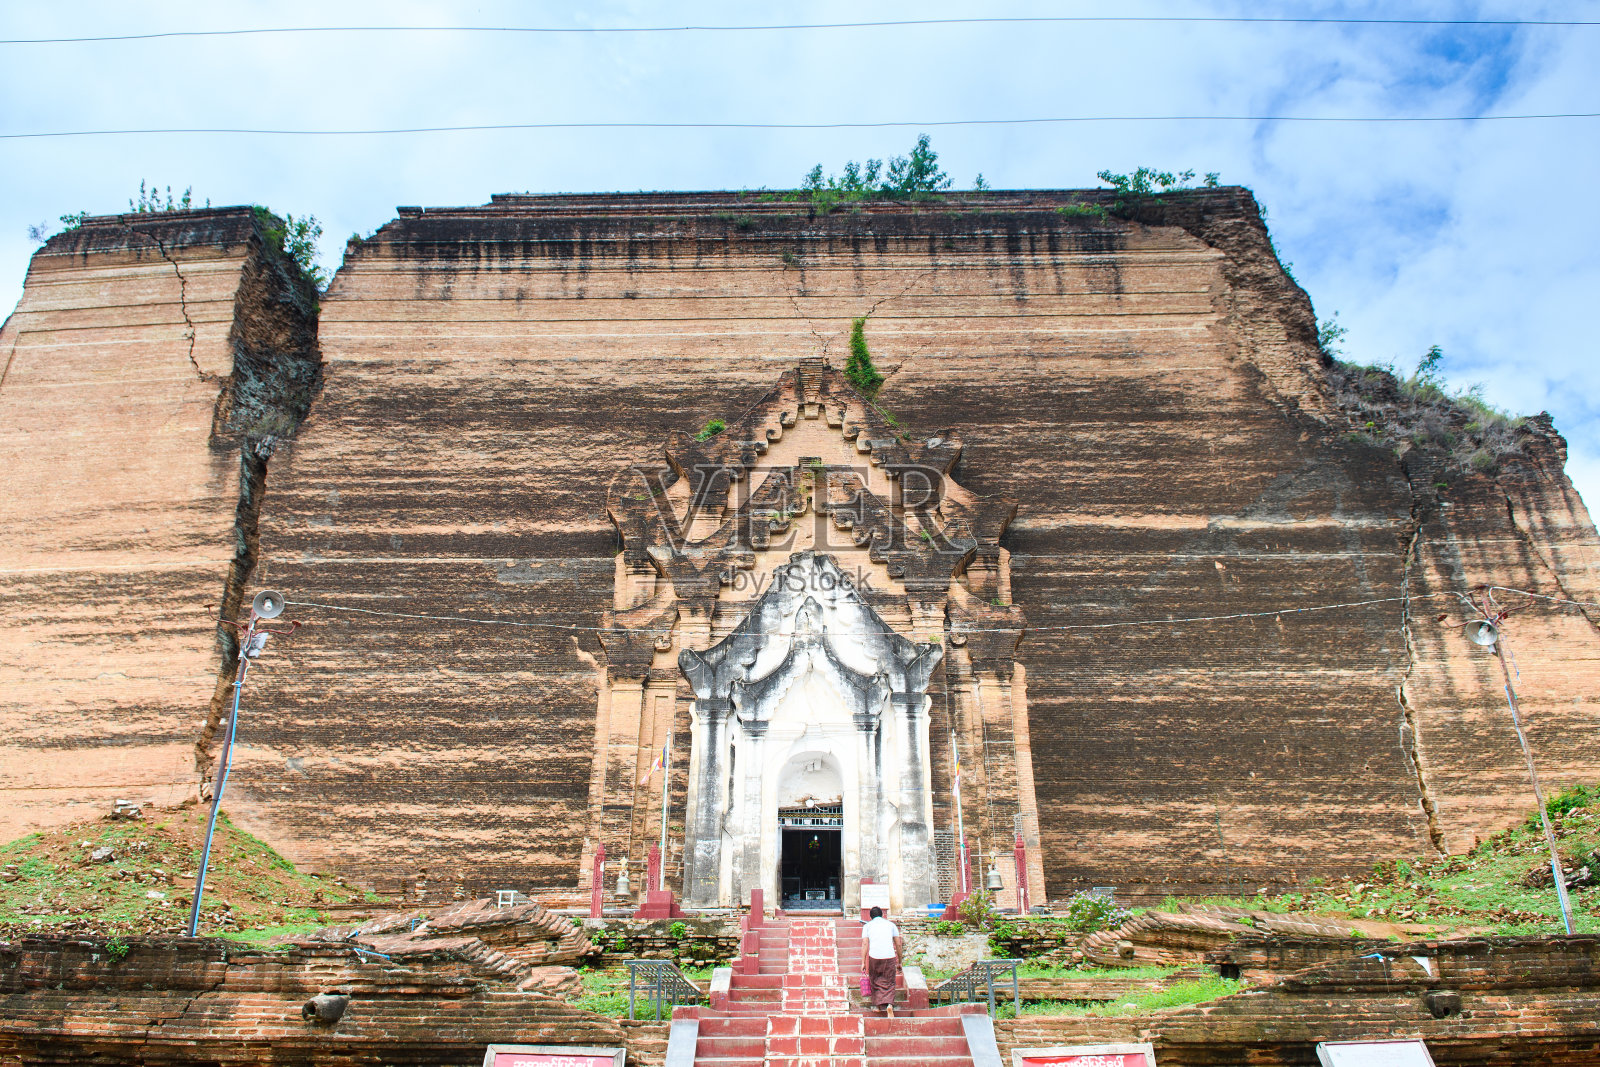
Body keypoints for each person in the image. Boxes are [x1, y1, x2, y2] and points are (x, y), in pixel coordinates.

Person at [859, 905, 903, 1016]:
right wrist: (899, 961)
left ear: (870, 917)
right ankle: (889, 1005)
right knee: (890, 981)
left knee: (875, 979)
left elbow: (865, 944)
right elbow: (898, 944)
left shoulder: (867, 926)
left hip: (874, 956)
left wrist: (863, 962)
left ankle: (878, 1006)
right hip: (889, 956)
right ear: (882, 915)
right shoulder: (891, 925)